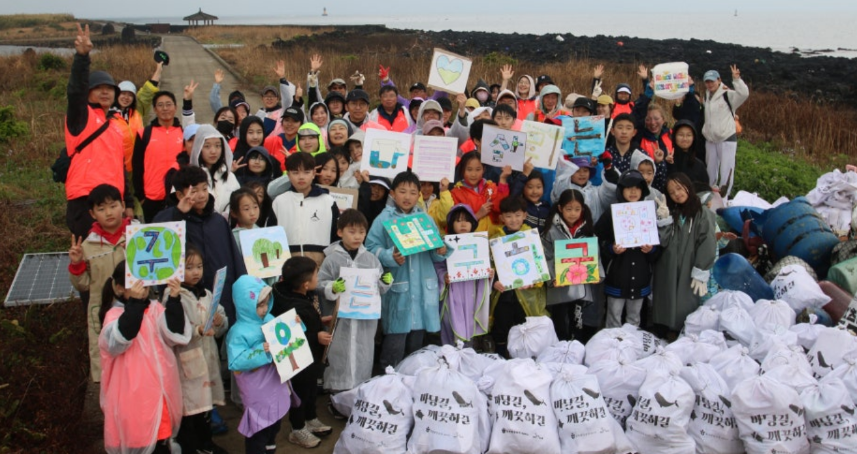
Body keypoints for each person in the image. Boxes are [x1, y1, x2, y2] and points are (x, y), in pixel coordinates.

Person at [98, 263, 189, 454]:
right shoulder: (113, 316)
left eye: (146, 286)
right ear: (120, 287)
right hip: (134, 405)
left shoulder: (155, 309)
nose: (143, 291)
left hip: (160, 400)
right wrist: (136, 305)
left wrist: (173, 299)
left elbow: (175, 333)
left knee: (162, 445)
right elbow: (121, 338)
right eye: (137, 285)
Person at [365, 171, 450, 368]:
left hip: (422, 290)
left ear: (419, 195)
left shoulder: (426, 219)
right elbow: (370, 249)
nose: (407, 196)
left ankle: (412, 385)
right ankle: (388, 383)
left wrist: (441, 249)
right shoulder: (383, 219)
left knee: (416, 348)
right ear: (393, 194)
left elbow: (435, 253)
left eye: (413, 192)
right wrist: (389, 256)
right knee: (394, 344)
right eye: (402, 191)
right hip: (398, 289)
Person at [64, 24, 132, 239]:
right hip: (86, 199)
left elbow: (118, 166)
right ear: (89, 92)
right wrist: (82, 57)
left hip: (113, 200)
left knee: (116, 259)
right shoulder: (81, 115)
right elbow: (75, 92)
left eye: (110, 88)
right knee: (90, 258)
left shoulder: (114, 124)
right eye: (98, 88)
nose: (105, 91)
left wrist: (127, 202)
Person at [154, 165, 246, 323]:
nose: (202, 195)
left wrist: (243, 290)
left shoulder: (218, 221)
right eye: (194, 191)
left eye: (204, 189)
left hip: (223, 298)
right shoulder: (171, 220)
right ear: (179, 194)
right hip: (187, 301)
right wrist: (178, 213)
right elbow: (159, 248)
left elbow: (235, 259)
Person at [318, 210, 392, 397]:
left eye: (361, 232)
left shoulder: (371, 259)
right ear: (340, 232)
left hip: (364, 319)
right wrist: (332, 287)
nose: (357, 236)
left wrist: (385, 281)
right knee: (339, 355)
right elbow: (320, 283)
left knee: (363, 354)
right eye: (352, 231)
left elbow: (378, 289)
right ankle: (336, 395)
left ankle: (359, 393)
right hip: (341, 319)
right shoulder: (332, 259)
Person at [68, 184, 133, 383]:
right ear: (92, 214)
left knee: (137, 359)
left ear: (122, 206)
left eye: (113, 206)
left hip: (135, 306)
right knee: (107, 365)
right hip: (102, 312)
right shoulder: (87, 246)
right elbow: (83, 285)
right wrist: (77, 263)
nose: (109, 212)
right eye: (101, 209)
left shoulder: (139, 236)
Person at [226, 275, 294, 454]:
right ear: (244, 304)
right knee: (258, 428)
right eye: (259, 305)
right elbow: (236, 361)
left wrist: (295, 326)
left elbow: (285, 336)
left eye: (266, 303)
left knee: (275, 423)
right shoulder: (238, 331)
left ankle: (270, 448)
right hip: (256, 390)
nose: (264, 309)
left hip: (275, 384)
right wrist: (261, 350)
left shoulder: (269, 319)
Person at [270, 257, 333, 448]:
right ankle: (297, 429)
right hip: (300, 359)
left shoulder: (285, 293)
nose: (318, 276)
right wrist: (317, 336)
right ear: (306, 284)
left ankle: (311, 418)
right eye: (316, 274)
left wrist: (319, 320)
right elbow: (290, 335)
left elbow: (302, 323)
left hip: (310, 359)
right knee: (300, 393)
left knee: (311, 389)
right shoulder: (296, 305)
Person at [173, 245, 228, 454]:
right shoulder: (175, 296)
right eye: (189, 267)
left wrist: (220, 321)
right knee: (190, 409)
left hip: (207, 356)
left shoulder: (206, 293)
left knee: (205, 406)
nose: (196, 272)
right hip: (187, 360)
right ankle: (192, 446)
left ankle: (206, 443)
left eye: (199, 266)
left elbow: (221, 322)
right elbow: (174, 329)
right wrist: (197, 330)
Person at [652, 173, 717, 337]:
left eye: (679, 189)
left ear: (688, 186)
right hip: (668, 265)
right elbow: (663, 241)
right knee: (665, 301)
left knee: (685, 302)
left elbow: (707, 242)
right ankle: (663, 332)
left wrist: (701, 268)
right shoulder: (672, 212)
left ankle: (684, 333)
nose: (677, 194)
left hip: (690, 265)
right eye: (672, 192)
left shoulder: (703, 213)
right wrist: (664, 220)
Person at [595, 171, 659, 328]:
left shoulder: (649, 214)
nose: (633, 191)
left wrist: (650, 249)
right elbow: (597, 240)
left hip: (640, 277)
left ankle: (631, 348)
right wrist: (611, 249)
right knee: (613, 318)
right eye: (628, 187)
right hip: (617, 277)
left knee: (634, 319)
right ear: (620, 190)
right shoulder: (611, 213)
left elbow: (658, 250)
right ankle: (611, 348)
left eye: (637, 187)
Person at [490, 197, 548, 357]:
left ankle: (525, 360)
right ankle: (501, 357)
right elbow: (489, 267)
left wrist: (533, 282)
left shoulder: (531, 236)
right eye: (508, 216)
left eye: (517, 215)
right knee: (502, 326)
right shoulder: (495, 239)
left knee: (525, 326)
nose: (513, 220)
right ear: (502, 218)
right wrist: (494, 282)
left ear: (524, 215)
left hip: (527, 294)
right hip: (504, 294)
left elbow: (540, 265)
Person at [542, 189, 600, 341]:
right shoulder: (551, 231)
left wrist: (597, 273)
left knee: (577, 317)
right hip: (559, 285)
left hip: (580, 284)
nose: (573, 213)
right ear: (560, 208)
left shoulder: (587, 230)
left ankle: (576, 347)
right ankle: (560, 348)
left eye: (577, 209)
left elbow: (595, 254)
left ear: (583, 209)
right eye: (568, 209)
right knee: (560, 319)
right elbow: (546, 256)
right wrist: (553, 277)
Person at [436, 204, 492, 346]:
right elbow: (437, 266)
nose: (463, 224)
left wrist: (489, 274)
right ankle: (449, 359)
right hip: (452, 294)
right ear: (451, 223)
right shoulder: (444, 244)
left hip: (471, 292)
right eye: (458, 220)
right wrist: (444, 276)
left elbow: (483, 266)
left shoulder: (479, 243)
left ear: (472, 223)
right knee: (450, 324)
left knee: (469, 325)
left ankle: (467, 359)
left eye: (467, 220)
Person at [272, 152, 340, 267]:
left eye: (306, 172)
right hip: (288, 265)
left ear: (314, 173)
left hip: (320, 264)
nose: (301, 177)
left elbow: (336, 236)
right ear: (288, 175)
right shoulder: (279, 202)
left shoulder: (328, 201)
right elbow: (270, 236)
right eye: (295, 173)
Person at [133, 90, 185, 222]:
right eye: (160, 105)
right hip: (151, 198)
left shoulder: (184, 133)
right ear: (155, 109)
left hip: (178, 196)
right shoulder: (144, 134)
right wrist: (141, 197)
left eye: (169, 104)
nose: (165, 108)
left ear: (175, 107)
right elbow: (137, 167)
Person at [434, 151, 509, 235]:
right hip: (471, 242)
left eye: (478, 169)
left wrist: (502, 180)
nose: (473, 174)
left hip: (494, 238)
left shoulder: (491, 187)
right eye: (469, 169)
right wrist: (476, 215)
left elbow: (501, 208)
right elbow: (453, 223)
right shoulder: (456, 193)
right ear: (462, 170)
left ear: (483, 169)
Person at [702, 66, 749, 198]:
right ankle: (710, 197)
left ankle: (724, 197)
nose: (710, 84)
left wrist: (737, 79)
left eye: (712, 81)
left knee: (727, 170)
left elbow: (744, 94)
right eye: (707, 81)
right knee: (710, 171)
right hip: (711, 139)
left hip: (726, 138)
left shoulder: (727, 94)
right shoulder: (706, 96)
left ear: (719, 80)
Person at [188, 124, 240, 215]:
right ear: (199, 148)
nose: (213, 151)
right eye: (207, 146)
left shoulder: (229, 176)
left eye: (217, 146)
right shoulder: (187, 177)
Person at [551, 157, 618, 223]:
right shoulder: (564, 189)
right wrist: (563, 164)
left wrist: (609, 169)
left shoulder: (597, 192)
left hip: (594, 232)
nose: (582, 174)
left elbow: (610, 190)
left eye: (585, 170)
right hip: (567, 232)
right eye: (577, 171)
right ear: (570, 173)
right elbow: (559, 181)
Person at [113, 80, 144, 172]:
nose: (126, 98)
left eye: (130, 95)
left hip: (135, 165)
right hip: (115, 166)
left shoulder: (136, 115)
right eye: (123, 93)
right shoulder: (108, 116)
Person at [667, 120, 709, 186]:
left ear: (693, 138)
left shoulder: (699, 165)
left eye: (689, 135)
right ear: (674, 137)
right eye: (681, 135)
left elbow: (704, 190)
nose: (685, 139)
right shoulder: (668, 161)